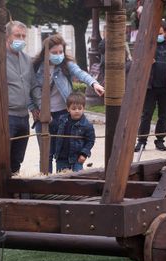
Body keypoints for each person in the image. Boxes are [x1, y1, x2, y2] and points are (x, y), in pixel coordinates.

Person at [32, 34, 104, 172]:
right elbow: (30, 90)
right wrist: (33, 109)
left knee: (63, 152)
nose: (58, 55)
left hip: (64, 114)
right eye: (54, 52)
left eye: (61, 52)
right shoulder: (36, 67)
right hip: (43, 115)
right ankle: (45, 182)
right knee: (46, 153)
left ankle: (62, 180)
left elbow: (80, 73)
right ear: (46, 53)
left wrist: (94, 83)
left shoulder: (66, 65)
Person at [5, 21, 41, 174]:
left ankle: (14, 187)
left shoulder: (27, 59)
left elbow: (33, 86)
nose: (21, 39)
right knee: (2, 158)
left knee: (17, 159)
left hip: (23, 117)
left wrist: (38, 107)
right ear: (7, 37)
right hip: (7, 116)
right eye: (17, 35)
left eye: (23, 36)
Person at [134, 20, 166, 152]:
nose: (158, 35)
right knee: (146, 114)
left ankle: (160, 141)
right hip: (150, 87)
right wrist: (146, 62)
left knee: (164, 115)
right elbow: (137, 61)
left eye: (160, 32)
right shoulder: (147, 46)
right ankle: (141, 141)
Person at [55, 93, 95, 172]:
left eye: (80, 109)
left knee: (78, 179)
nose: (77, 111)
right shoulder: (61, 120)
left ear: (83, 108)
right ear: (68, 109)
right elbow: (54, 132)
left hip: (77, 159)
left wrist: (84, 154)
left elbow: (90, 141)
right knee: (60, 180)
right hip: (61, 159)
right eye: (74, 109)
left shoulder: (87, 125)